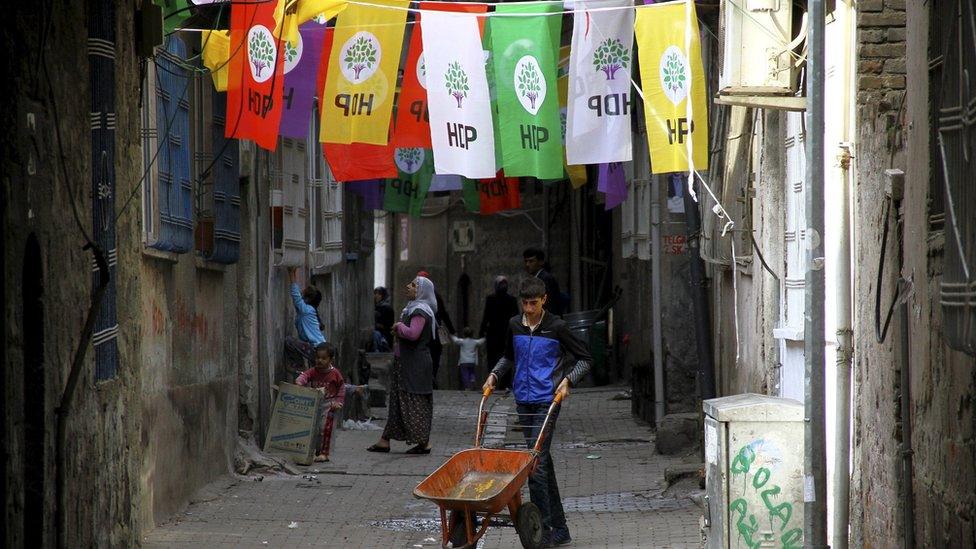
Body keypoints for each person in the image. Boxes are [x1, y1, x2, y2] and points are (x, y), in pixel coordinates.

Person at [482, 277, 591, 547]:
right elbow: (509, 356)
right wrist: (495, 376)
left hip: (547, 400)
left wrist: (568, 381)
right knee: (541, 463)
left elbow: (585, 359)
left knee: (534, 466)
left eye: (534, 303)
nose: (529, 309)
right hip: (524, 401)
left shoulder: (557, 327)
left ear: (544, 300)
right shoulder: (515, 325)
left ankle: (544, 531)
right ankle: (560, 529)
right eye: (525, 304)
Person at [367, 276, 437, 455]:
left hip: (415, 365)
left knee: (414, 402)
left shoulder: (420, 311)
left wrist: (398, 327)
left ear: (421, 291)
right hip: (406, 363)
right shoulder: (412, 308)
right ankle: (385, 440)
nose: (408, 286)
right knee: (398, 402)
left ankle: (424, 443)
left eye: (413, 285)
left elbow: (413, 334)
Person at [296, 343, 345, 463]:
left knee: (325, 428)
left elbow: (342, 388)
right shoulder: (313, 371)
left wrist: (338, 402)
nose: (319, 361)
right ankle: (316, 450)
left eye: (323, 358)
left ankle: (324, 453)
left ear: (331, 359)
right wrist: (300, 381)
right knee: (315, 428)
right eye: (318, 357)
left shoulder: (335, 374)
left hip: (330, 404)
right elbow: (305, 376)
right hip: (315, 403)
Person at [478, 275, 519, 389]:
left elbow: (486, 317)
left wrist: (481, 332)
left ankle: (495, 382)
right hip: (505, 334)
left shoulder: (491, 299)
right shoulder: (511, 300)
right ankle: (503, 383)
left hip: (495, 334)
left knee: (498, 358)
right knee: (504, 357)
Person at [416, 270, 455, 388]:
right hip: (432, 332)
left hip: (423, 331)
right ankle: (431, 377)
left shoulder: (417, 296)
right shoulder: (435, 295)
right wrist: (452, 330)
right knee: (434, 355)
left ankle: (429, 378)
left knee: (429, 354)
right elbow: (443, 313)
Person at [285, 267, 326, 374]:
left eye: (303, 294)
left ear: (307, 298)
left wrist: (291, 274)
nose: (301, 294)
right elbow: (298, 295)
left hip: (315, 349)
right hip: (319, 349)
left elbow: (296, 296)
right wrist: (293, 272)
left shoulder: (306, 311)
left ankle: (299, 366)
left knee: (289, 341)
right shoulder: (310, 310)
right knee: (317, 377)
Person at [523, 247, 564, 315]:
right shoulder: (538, 278)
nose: (527, 265)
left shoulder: (545, 279)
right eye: (526, 261)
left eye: (531, 261)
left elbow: (549, 305)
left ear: (541, 262)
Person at [373, 286, 394, 352]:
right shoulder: (374, 307)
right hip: (377, 335)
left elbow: (389, 326)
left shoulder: (387, 308)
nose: (376, 295)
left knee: (376, 334)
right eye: (375, 293)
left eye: (379, 294)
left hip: (385, 336)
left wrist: (376, 325)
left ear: (383, 296)